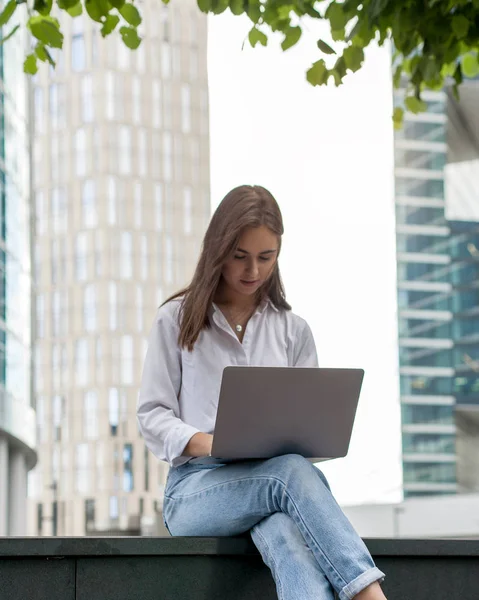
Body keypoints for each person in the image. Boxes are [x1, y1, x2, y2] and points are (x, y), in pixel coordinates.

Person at [137, 185, 387, 600]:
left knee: (288, 533)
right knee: (288, 472)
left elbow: (307, 431)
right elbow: (152, 415)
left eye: (265, 257)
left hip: (274, 484)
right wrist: (210, 442)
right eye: (240, 256)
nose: (252, 270)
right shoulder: (174, 320)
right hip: (195, 490)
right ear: (218, 250)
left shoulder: (293, 330)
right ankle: (367, 593)